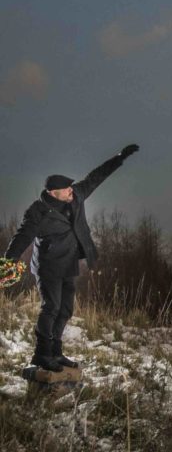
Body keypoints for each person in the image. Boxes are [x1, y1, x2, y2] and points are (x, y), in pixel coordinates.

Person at [5, 145, 139, 370]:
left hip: (68, 263)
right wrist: (9, 261)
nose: (71, 190)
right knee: (51, 307)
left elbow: (96, 177)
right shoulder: (37, 211)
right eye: (66, 189)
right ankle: (41, 354)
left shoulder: (76, 196)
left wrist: (119, 158)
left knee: (66, 309)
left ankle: (56, 353)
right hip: (48, 267)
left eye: (70, 187)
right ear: (52, 193)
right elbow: (23, 236)